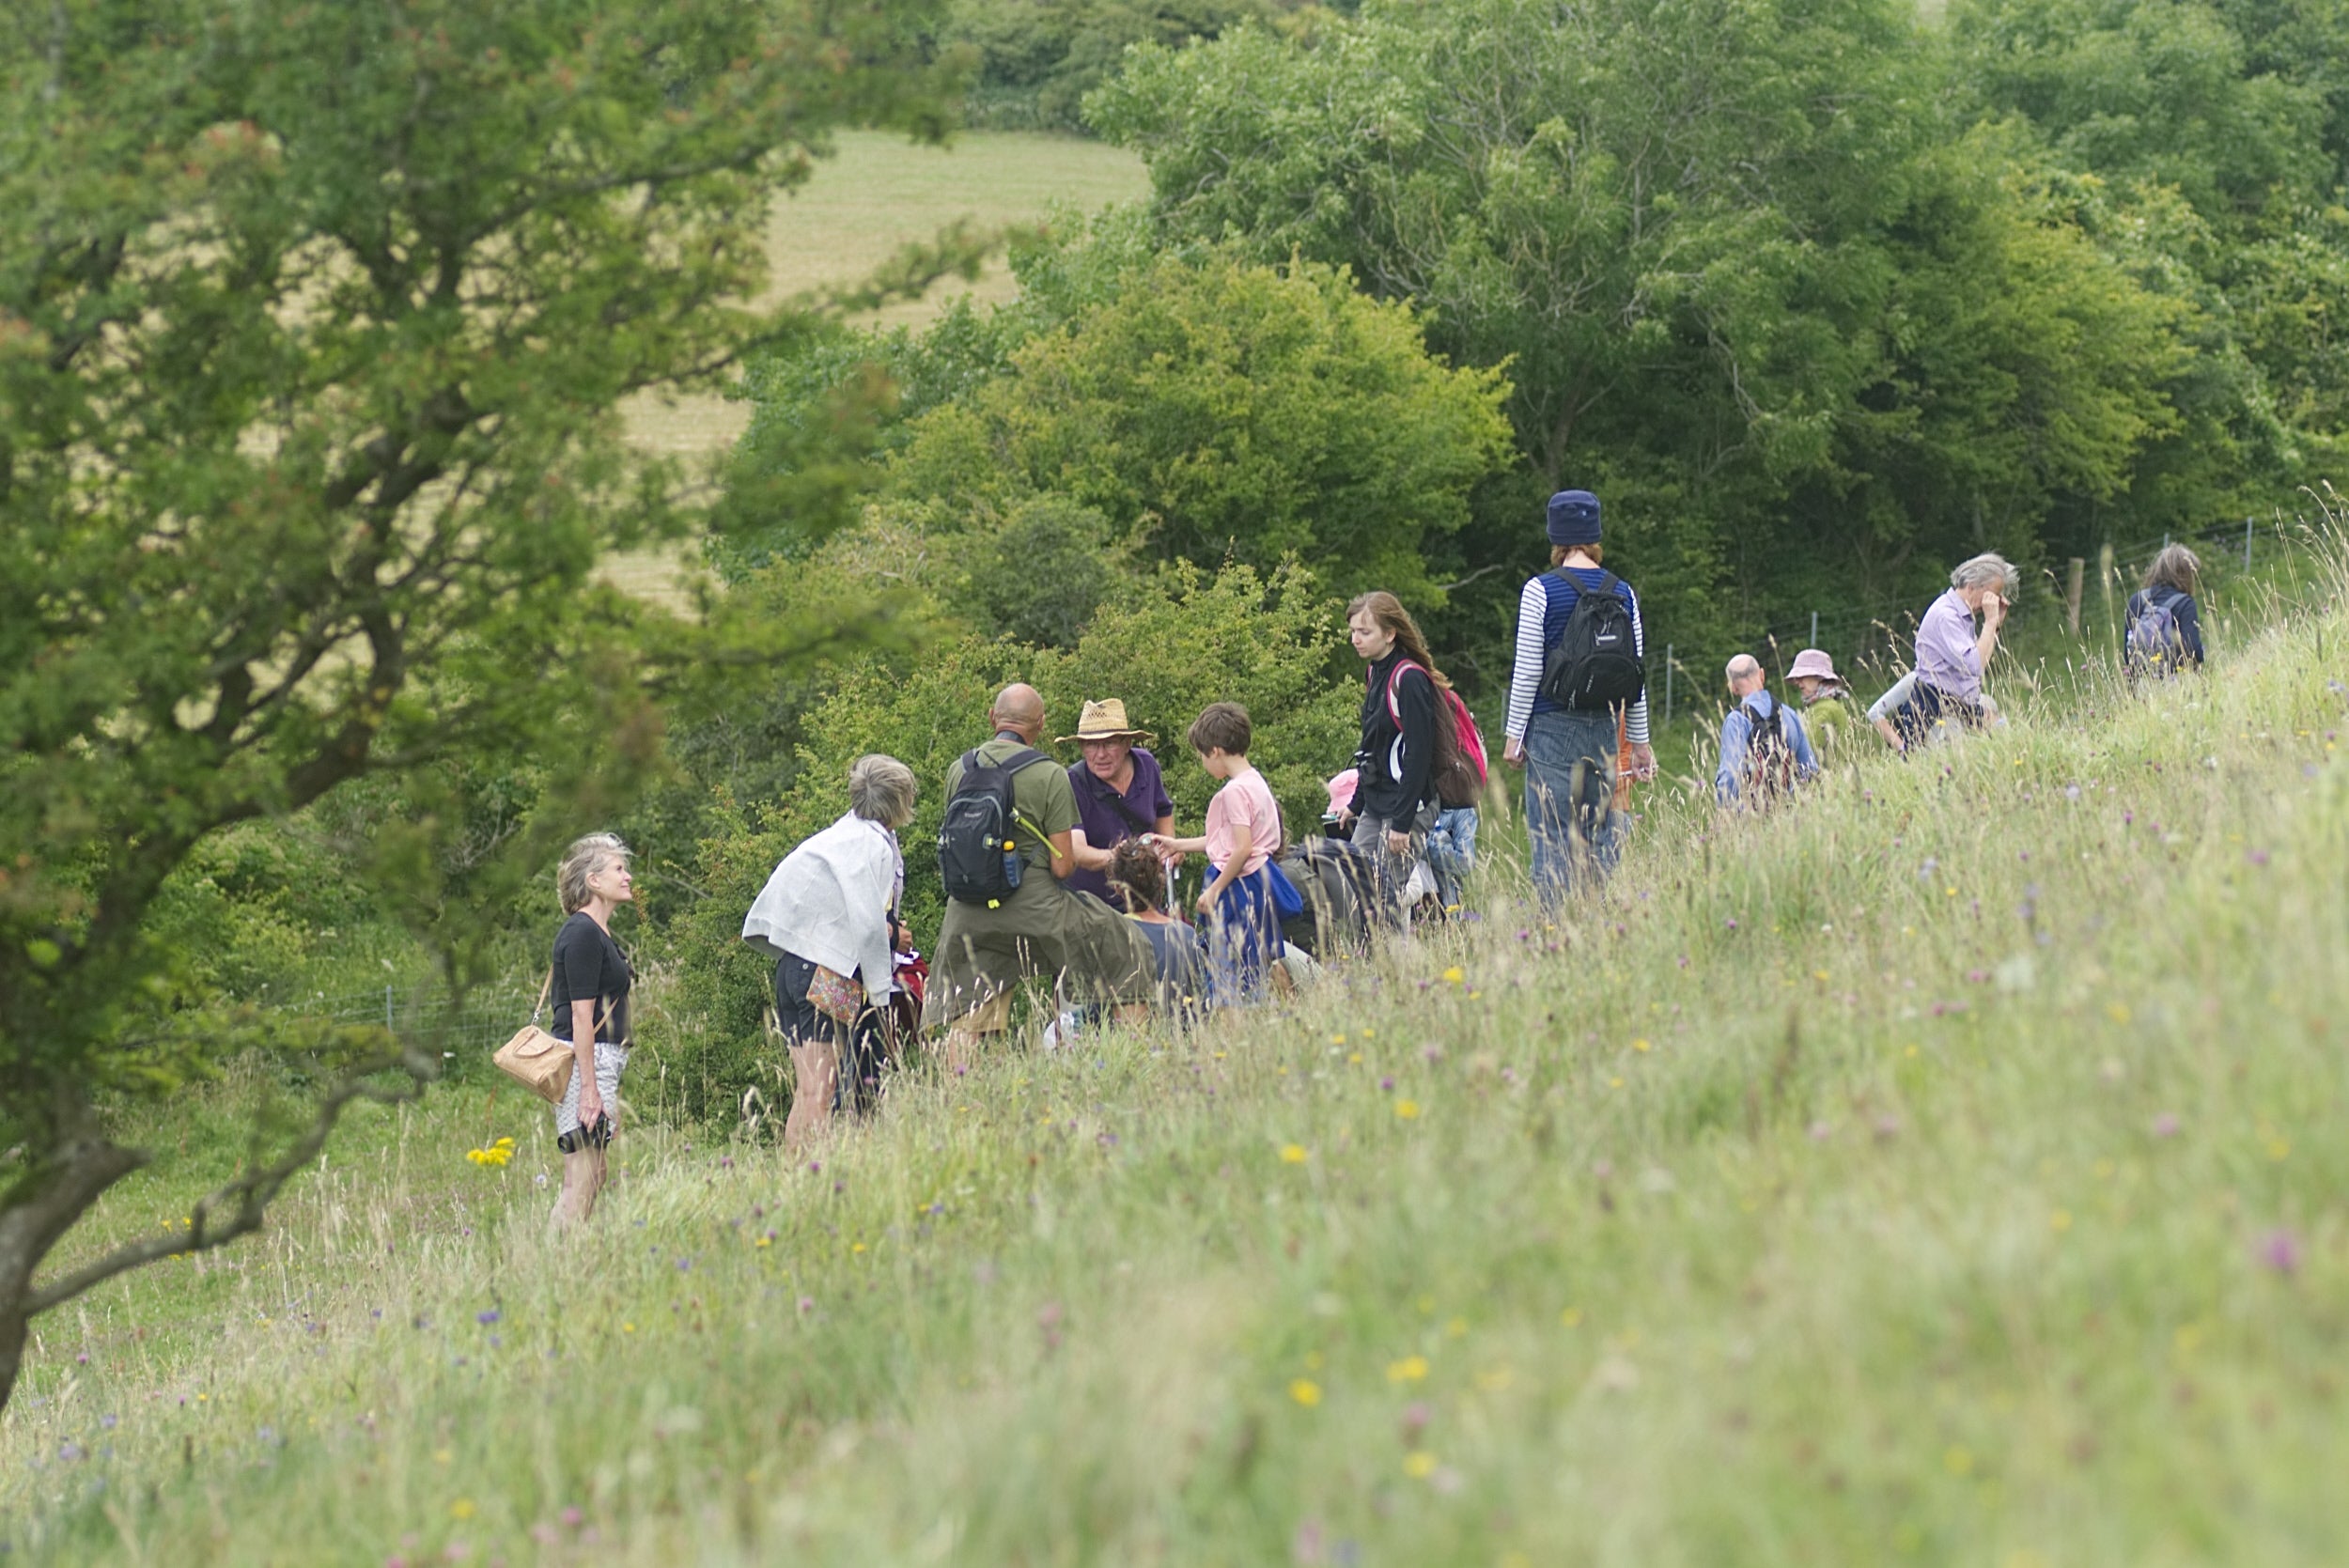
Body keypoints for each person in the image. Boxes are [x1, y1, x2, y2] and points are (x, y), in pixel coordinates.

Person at [926, 684, 1157, 1072]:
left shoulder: (959, 769)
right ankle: (1131, 1065)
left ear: (992, 718)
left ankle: (957, 1098)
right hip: (1035, 911)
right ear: (1042, 724)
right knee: (1128, 945)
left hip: (966, 915)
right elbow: (1064, 867)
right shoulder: (1049, 773)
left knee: (968, 1010)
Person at [740, 754, 917, 1148]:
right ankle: (812, 1180)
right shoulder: (874, 846)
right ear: (900, 801)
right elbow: (869, 920)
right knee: (822, 1089)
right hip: (827, 971)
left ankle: (794, 1178)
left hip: (791, 966)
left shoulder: (836, 836)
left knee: (807, 1090)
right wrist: (886, 973)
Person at [1502, 489, 1656, 899]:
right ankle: (1594, 925)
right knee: (1598, 833)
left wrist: (1515, 735)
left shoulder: (1540, 590)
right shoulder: (1623, 592)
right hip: (1605, 730)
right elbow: (1635, 676)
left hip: (1552, 728)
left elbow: (1528, 670)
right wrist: (1639, 742)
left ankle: (1556, 932)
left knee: (1552, 834)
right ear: (1595, 534)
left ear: (1555, 537)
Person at [1149, 702, 1286, 1002]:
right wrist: (1177, 844)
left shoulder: (1233, 792)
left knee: (1230, 965)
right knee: (1260, 954)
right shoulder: (1254, 781)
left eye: (1201, 755)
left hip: (1238, 886)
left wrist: (1213, 890)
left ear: (1215, 751)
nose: (1202, 762)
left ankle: (1237, 1019)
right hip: (1259, 881)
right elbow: (1227, 841)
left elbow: (1241, 849)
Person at [1338, 591, 1448, 926]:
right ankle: (1371, 963)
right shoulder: (1374, 672)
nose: (1356, 639)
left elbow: (1418, 755)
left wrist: (1402, 824)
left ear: (1390, 633)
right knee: (1352, 884)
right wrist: (1356, 803)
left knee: (1385, 895)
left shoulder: (1408, 678)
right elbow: (1372, 745)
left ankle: (1396, 971)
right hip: (1376, 802)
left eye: (1365, 632)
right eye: (1353, 631)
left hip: (1408, 806)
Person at [549, 832, 634, 1228]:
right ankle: (554, 1263)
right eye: (619, 868)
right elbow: (581, 1017)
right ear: (593, 881)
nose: (628, 876)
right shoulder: (582, 933)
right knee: (581, 1177)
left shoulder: (596, 933)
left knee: (593, 1173)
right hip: (588, 1062)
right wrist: (588, 1090)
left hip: (600, 1062)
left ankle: (564, 1257)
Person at [1058, 699, 1176, 906]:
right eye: (1092, 745)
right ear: (1082, 748)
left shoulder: (1146, 765)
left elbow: (1163, 811)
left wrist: (1170, 851)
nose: (1101, 754)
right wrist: (1118, 857)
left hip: (1145, 901)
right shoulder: (1074, 781)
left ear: (1126, 744)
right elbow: (1076, 850)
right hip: (1092, 906)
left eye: (1110, 743)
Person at [1897, 552, 2017, 744]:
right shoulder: (1947, 617)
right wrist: (1990, 621)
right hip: (1933, 711)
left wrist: (1994, 626)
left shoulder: (1962, 614)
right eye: (1993, 594)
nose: (1994, 601)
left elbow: (1980, 664)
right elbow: (1974, 665)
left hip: (1956, 704)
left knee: (2004, 735)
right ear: (1972, 587)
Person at [1107, 838, 1207, 1018]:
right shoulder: (1187, 934)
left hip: (1132, 1042)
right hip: (1183, 1041)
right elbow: (1202, 1005)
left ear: (1117, 888)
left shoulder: (1114, 935)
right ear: (1160, 883)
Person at [1715, 655, 1818, 807]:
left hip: (1751, 820)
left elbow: (1730, 777)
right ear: (1762, 675)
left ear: (1733, 687)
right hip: (1790, 814)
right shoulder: (1789, 714)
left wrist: (1726, 812)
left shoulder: (1736, 721)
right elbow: (1810, 769)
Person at [1869, 669, 2002, 752]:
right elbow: (1874, 713)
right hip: (1933, 742)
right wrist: (1903, 749)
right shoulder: (1917, 680)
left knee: (1987, 705)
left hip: (1964, 732)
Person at [2125, 544, 2206, 675]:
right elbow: (2193, 651)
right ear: (2186, 574)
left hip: (2140, 684)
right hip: (2174, 683)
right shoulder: (2185, 603)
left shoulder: (2137, 600)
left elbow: (2127, 654)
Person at [1786, 648, 1857, 758]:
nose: (1797, 682)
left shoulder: (1824, 709)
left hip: (1827, 773)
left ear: (1819, 677)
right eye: (1796, 678)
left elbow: (1808, 750)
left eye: (1802, 676)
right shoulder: (1832, 703)